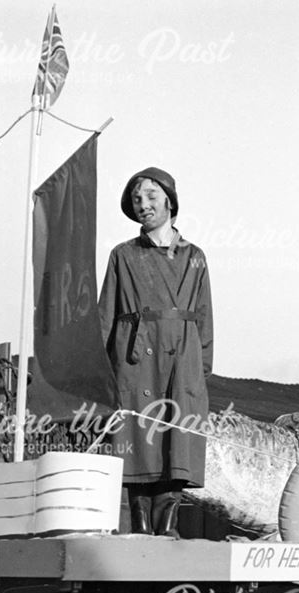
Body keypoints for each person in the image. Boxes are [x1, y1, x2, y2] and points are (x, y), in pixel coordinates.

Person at [98, 167, 213, 536]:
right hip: (136, 359)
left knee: (176, 440)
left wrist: (199, 371)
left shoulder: (195, 256)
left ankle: (167, 527)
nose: (142, 204)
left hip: (182, 360)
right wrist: (102, 374)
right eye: (136, 199)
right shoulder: (123, 255)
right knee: (138, 441)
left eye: (149, 195)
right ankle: (140, 526)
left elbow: (204, 320)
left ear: (168, 199)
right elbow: (105, 317)